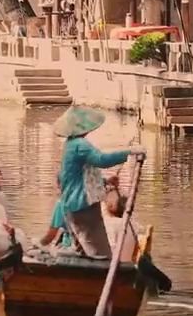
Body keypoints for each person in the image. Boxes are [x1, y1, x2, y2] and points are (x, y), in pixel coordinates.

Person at [47, 105, 143, 258]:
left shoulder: (71, 145)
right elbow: (101, 160)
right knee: (101, 255)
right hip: (82, 206)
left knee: (84, 253)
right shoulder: (79, 145)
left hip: (73, 206)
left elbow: (82, 177)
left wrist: (105, 181)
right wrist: (129, 151)